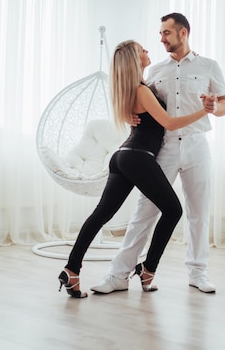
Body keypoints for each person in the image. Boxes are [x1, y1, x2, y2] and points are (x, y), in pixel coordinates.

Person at [58, 39, 212, 298]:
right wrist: (202, 111)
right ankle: (148, 269)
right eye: (143, 50)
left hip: (122, 157)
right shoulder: (141, 91)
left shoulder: (130, 89)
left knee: (100, 214)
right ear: (134, 60)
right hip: (139, 157)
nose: (148, 51)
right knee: (173, 211)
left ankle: (72, 269)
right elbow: (171, 123)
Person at [91, 12, 225, 294]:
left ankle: (198, 272)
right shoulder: (155, 71)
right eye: (161, 33)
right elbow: (138, 97)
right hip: (164, 148)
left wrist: (215, 106)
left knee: (198, 212)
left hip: (196, 145)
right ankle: (118, 274)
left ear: (183, 33)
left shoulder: (209, 66)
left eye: (166, 33)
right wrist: (130, 113)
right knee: (145, 211)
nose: (161, 38)